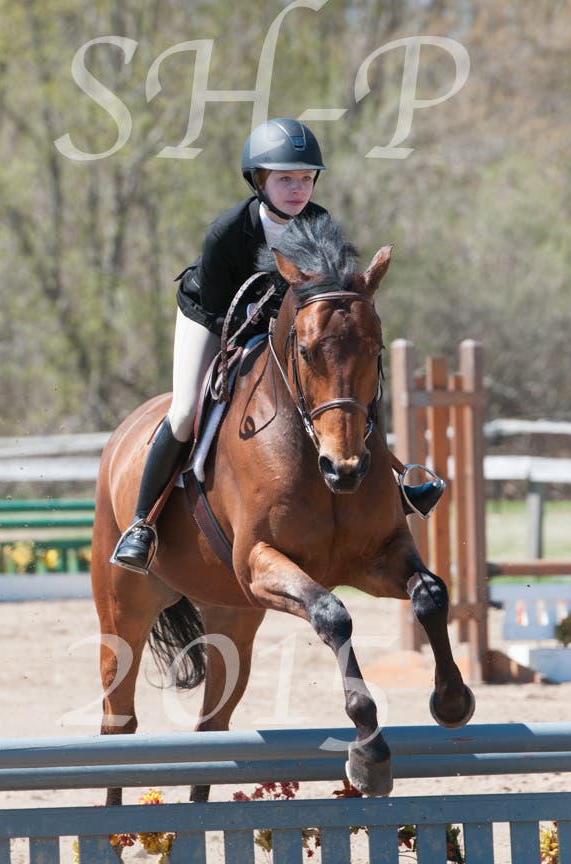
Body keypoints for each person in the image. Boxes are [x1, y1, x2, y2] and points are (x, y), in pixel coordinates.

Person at [111, 118, 444, 574]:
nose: (298, 189)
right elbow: (216, 307)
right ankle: (141, 524)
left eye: (306, 178)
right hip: (212, 317)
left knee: (347, 386)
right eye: (286, 179)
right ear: (260, 181)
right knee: (187, 409)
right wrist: (256, 334)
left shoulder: (319, 223)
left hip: (289, 331)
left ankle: (397, 481)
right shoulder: (228, 231)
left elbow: (331, 295)